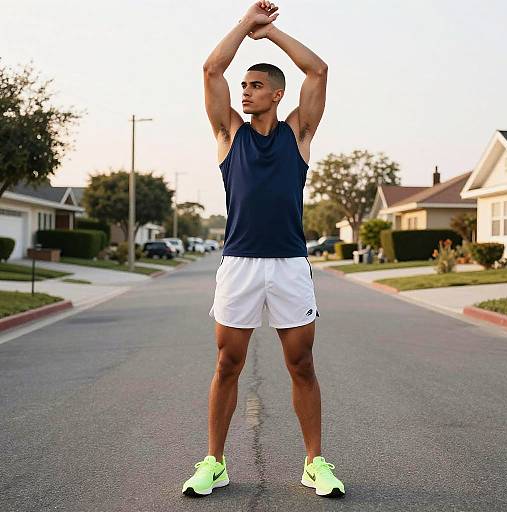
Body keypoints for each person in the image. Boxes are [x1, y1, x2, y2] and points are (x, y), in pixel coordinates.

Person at [182, 1, 345, 499]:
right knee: (227, 363)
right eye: (244, 86)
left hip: (290, 263)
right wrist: (244, 25)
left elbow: (317, 70)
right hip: (240, 263)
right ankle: (215, 461)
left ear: (277, 93)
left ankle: (314, 462)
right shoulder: (229, 134)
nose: (245, 92)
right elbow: (212, 69)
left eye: (254, 86)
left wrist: (271, 34)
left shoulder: (298, 134)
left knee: (301, 364)